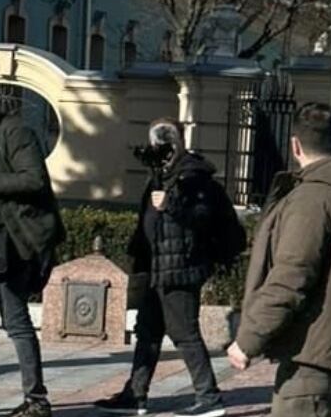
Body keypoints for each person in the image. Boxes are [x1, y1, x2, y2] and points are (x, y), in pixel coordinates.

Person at [227, 103, 331, 417]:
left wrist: (248, 339)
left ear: (295, 145)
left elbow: (291, 276)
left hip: (312, 348)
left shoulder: (314, 199)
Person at [96, 118, 244, 417]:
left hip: (180, 269)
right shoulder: (160, 175)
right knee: (148, 332)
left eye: (162, 142)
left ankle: (209, 398)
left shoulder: (193, 176)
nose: (157, 148)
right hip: (156, 269)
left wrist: (171, 205)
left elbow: (201, 217)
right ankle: (135, 395)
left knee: (185, 333)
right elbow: (148, 222)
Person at [0, 84, 66, 417]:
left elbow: (34, 180)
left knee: (16, 321)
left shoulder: (13, 132)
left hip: (15, 241)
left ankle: (36, 399)